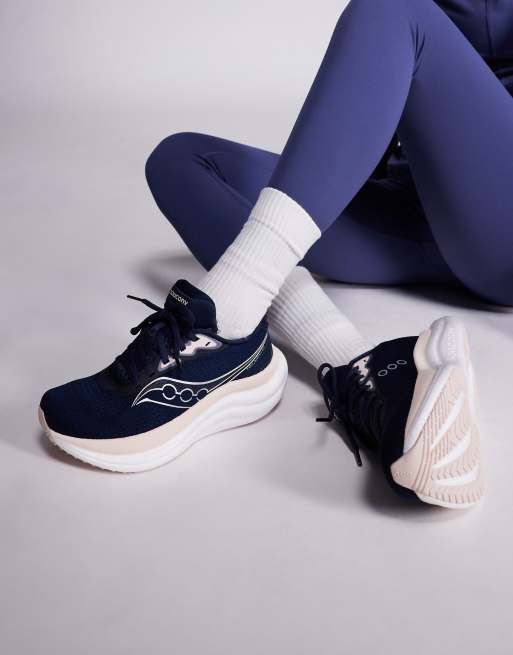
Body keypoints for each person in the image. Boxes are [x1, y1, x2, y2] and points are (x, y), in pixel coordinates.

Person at [40, 0, 512, 508]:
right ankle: (367, 377)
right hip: (414, 209)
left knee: (390, 8)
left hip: (501, 235)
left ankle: (224, 319)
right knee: (181, 161)